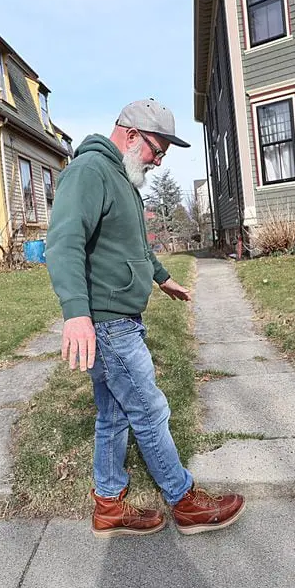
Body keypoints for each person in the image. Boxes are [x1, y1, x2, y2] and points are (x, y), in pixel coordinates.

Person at [45, 99, 245, 538]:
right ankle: (184, 499)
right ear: (132, 135)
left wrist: (162, 277)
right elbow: (63, 244)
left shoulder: (124, 181)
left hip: (120, 317)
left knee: (114, 415)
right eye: (159, 149)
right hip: (108, 322)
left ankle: (109, 506)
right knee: (149, 409)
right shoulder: (89, 172)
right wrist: (76, 313)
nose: (159, 160)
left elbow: (132, 244)